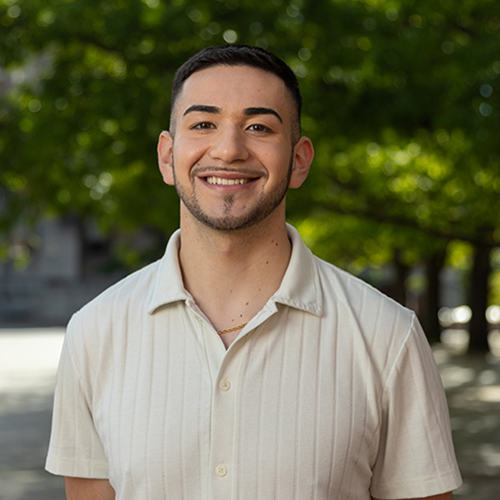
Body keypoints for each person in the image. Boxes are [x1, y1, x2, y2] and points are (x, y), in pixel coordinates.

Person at [46, 44, 462, 500]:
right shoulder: (94, 332)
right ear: (167, 157)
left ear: (299, 160)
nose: (228, 150)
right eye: (203, 124)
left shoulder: (388, 336)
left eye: (259, 127)